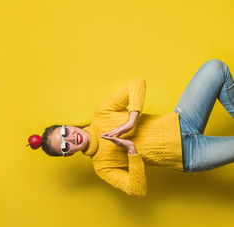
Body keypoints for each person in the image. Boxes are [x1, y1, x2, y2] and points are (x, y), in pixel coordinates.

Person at [35, 59, 234, 198]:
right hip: (190, 154)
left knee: (215, 68)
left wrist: (131, 120)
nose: (69, 139)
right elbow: (136, 189)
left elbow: (137, 84)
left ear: (67, 126)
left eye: (64, 133)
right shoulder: (102, 168)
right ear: (68, 154)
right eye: (64, 146)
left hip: (183, 119)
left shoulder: (102, 113)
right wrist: (132, 151)